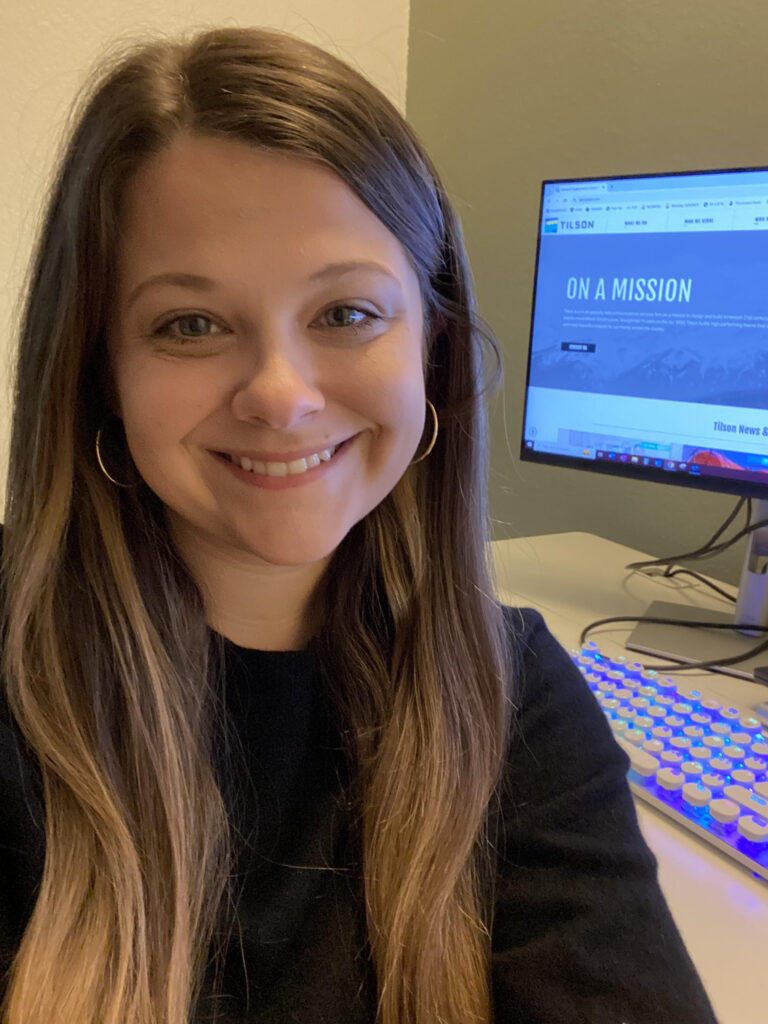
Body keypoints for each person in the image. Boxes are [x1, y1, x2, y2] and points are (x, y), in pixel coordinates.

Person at [0, 27, 718, 1024]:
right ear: (98, 373)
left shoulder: (515, 702)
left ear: (432, 345)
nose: (281, 396)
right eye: (190, 324)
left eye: (345, 314)